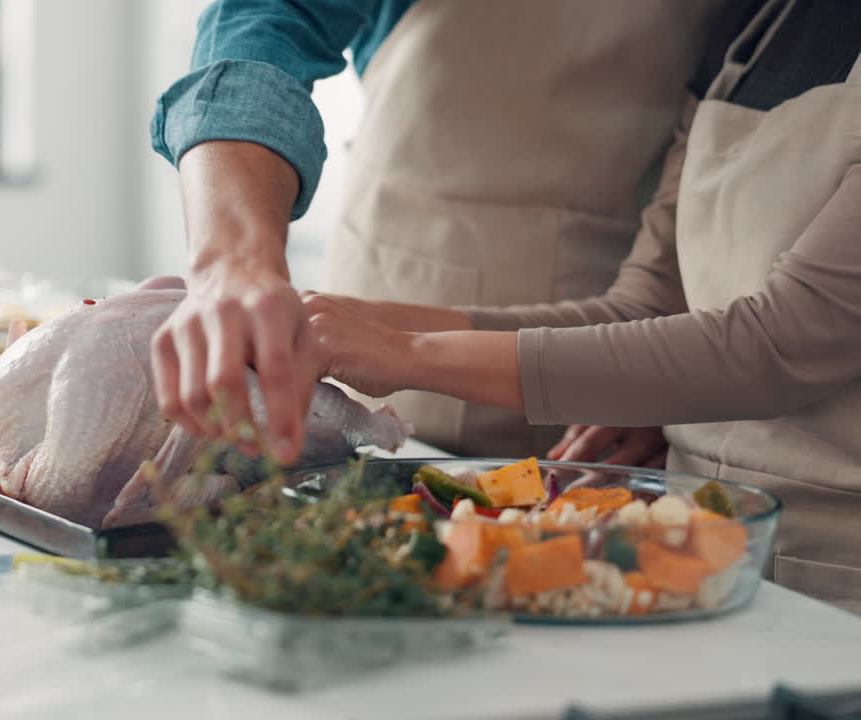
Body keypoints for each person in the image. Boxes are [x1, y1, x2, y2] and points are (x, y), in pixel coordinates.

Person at [301, 0, 861, 612]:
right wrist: (328, 316)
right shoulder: (755, 23)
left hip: (831, 574)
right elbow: (643, 308)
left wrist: (406, 353)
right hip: (684, 554)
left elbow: (778, 346)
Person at [148, 0, 727, 467]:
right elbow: (266, 19)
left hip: (601, 371)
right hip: (374, 338)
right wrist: (234, 259)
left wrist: (665, 376)